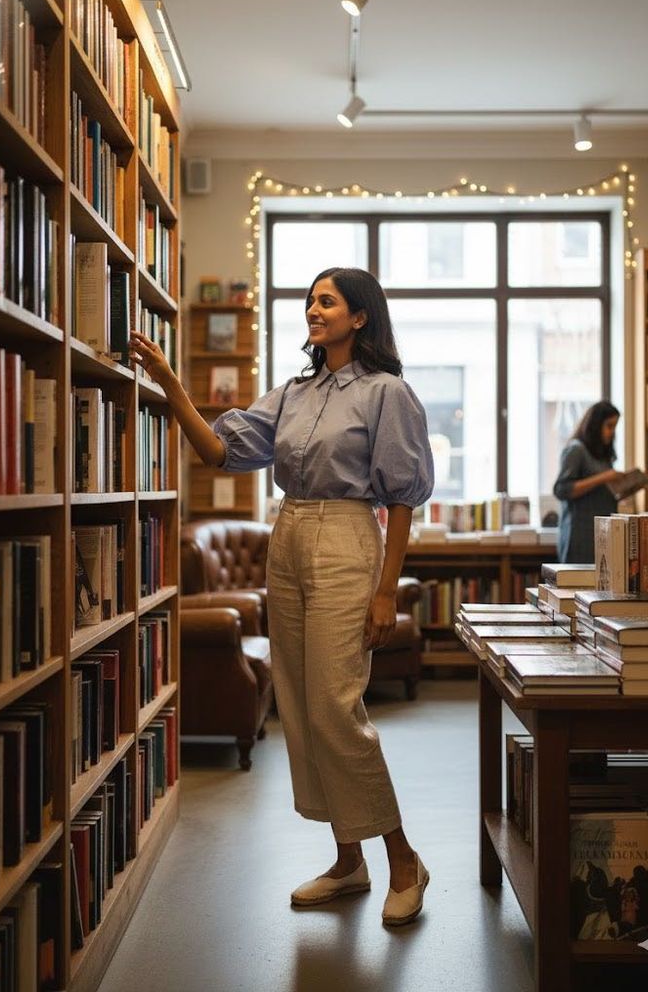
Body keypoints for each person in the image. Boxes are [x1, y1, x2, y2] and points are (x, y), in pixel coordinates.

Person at [129, 266, 435, 926]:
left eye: (326, 301)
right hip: (288, 533)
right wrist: (170, 384)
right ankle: (347, 861)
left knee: (333, 703)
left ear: (359, 317)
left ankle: (404, 861)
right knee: (297, 703)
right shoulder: (293, 391)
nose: (312, 309)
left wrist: (386, 592)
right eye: (309, 301)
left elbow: (403, 499)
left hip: (348, 535)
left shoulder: (387, 393)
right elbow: (217, 450)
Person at [553, 400, 622, 564]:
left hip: (602, 535)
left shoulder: (603, 455)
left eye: (615, 427)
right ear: (596, 425)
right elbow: (562, 489)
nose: (612, 432)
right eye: (609, 426)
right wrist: (604, 477)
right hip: (579, 537)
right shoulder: (576, 450)